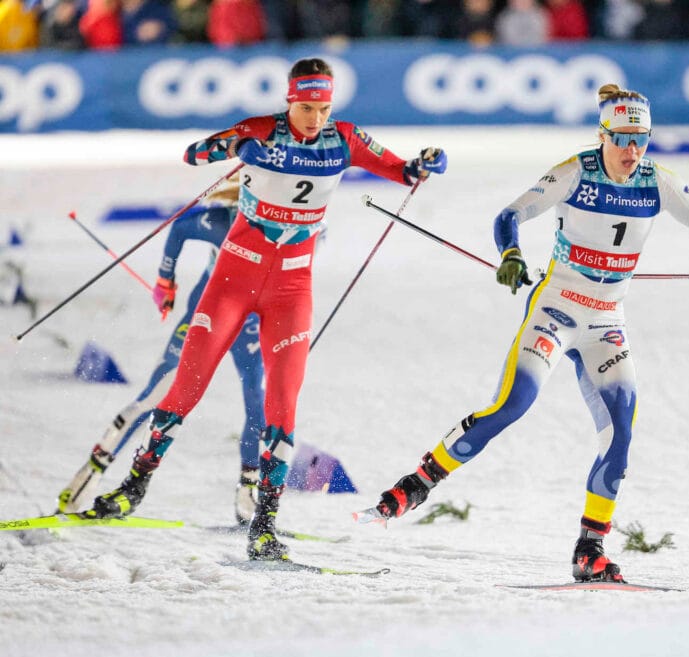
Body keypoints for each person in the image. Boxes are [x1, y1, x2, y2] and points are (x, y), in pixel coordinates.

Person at [356, 83, 689, 583]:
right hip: (556, 308)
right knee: (512, 405)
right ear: (603, 134)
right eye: (622, 138)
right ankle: (416, 484)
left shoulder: (657, 181)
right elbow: (510, 215)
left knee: (621, 432)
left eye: (641, 139)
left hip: (606, 321)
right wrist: (511, 254)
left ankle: (589, 549)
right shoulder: (575, 172)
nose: (632, 151)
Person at [87, 57, 447, 563]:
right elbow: (194, 154)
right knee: (186, 388)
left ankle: (264, 524)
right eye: (306, 107)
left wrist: (426, 163)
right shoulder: (261, 129)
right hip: (233, 279)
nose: (315, 118)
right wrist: (237, 147)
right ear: (289, 100)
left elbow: (402, 171)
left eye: (323, 108)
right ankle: (133, 487)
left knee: (282, 403)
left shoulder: (344, 139)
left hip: (291, 289)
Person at [57, 177, 266, 527]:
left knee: (259, 405)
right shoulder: (223, 221)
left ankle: (249, 503)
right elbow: (180, 228)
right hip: (204, 319)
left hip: (250, 327)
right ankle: (88, 477)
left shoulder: (301, 226)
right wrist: (165, 281)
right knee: (154, 397)